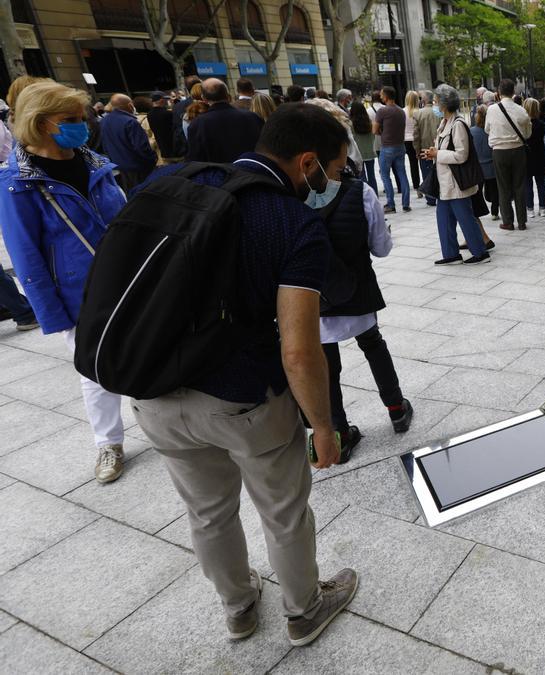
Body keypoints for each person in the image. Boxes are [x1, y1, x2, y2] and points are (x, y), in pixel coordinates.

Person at [128, 103, 358, 645]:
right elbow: (300, 351)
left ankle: (238, 608)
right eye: (338, 169)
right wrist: (323, 428)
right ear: (308, 163)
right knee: (283, 511)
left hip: (152, 392)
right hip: (242, 401)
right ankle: (304, 611)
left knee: (207, 514)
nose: (337, 181)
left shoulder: (169, 183)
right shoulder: (291, 220)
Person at [0, 81, 129, 482]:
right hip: (78, 292)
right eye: (70, 120)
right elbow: (25, 257)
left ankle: (167, 423)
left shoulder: (95, 162)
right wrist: (52, 315)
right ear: (40, 123)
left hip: (127, 277)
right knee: (94, 370)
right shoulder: (16, 182)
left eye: (82, 117)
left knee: (146, 345)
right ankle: (108, 442)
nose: (82, 126)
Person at [308, 154, 414, 455]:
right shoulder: (361, 191)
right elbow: (381, 248)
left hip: (314, 297)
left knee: (326, 364)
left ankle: (339, 434)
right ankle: (396, 409)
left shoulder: (290, 194)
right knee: (373, 344)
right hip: (356, 290)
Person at [421, 84, 489, 265]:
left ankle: (480, 253)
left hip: (456, 183)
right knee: (443, 219)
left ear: (444, 104)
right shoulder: (444, 123)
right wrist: (433, 152)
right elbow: (446, 150)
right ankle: (451, 253)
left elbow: (461, 154)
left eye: (436, 101)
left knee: (466, 218)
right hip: (445, 182)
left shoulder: (458, 124)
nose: (434, 104)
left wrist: (438, 154)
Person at [484, 79, 532, 231]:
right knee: (519, 186)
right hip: (518, 150)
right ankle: (522, 221)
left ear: (498, 92)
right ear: (514, 92)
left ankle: (508, 221)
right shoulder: (520, 110)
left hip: (499, 151)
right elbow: (528, 133)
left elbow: (486, 129)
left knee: (503, 187)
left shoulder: (491, 110)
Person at [186, 78, 265, 163]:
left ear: (204, 99)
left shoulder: (198, 124)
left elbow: (196, 159)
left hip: (219, 173)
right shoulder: (252, 117)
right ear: (228, 96)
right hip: (251, 171)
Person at [99, 93, 157, 191]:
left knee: (131, 194)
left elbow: (105, 145)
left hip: (119, 167)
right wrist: (153, 159)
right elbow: (142, 148)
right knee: (146, 193)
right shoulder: (130, 122)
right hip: (138, 168)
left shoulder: (104, 121)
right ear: (130, 105)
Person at [373, 86, 411, 213]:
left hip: (387, 147)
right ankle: (406, 203)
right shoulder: (401, 111)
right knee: (402, 174)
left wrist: (382, 132)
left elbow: (374, 130)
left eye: (382, 94)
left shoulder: (382, 111)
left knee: (385, 175)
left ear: (387, 96)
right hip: (400, 146)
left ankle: (391, 204)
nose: (381, 97)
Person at [471, 104, 499, 220]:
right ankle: (494, 212)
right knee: (495, 190)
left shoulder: (471, 131)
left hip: (477, 167)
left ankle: (477, 212)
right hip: (491, 166)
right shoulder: (492, 131)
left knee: (477, 191)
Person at [523, 97, 545, 218]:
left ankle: (530, 209)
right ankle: (542, 208)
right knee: (541, 184)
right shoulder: (541, 124)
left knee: (527, 184)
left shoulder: (523, 125)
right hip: (539, 155)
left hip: (527, 156)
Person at [350, 100, 378, 194]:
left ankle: (365, 196)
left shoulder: (351, 124)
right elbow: (373, 135)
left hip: (358, 153)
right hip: (370, 152)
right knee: (372, 176)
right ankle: (375, 195)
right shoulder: (369, 121)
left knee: (362, 177)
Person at [171, 74, 201, 159]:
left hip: (187, 150)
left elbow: (176, 128)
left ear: (186, 88)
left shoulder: (177, 106)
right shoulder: (206, 102)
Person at [147, 91, 178, 161]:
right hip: (175, 150)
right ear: (161, 100)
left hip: (163, 150)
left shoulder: (149, 115)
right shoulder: (168, 114)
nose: (167, 101)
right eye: (165, 99)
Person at [403, 91, 422, 196]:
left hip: (407, 140)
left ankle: (417, 186)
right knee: (423, 164)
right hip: (418, 140)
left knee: (413, 164)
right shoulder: (419, 112)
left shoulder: (402, 111)